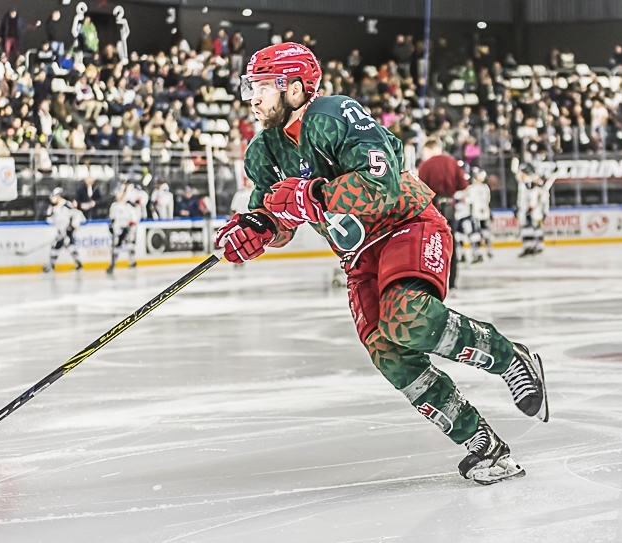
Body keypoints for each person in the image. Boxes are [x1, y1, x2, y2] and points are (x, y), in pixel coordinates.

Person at [214, 43, 549, 485]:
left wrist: (313, 196)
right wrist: (250, 232)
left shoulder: (335, 114)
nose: (253, 98)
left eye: (263, 87)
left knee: (408, 319)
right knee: (389, 353)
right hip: (358, 256)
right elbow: (274, 217)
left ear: (295, 88)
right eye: (250, 87)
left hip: (405, 225)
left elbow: (381, 184)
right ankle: (482, 445)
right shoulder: (262, 151)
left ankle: (508, 359)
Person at [417, 138, 468, 289]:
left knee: (430, 246)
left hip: (432, 209)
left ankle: (433, 282)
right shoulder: (452, 162)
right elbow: (463, 185)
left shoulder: (425, 165)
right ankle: (451, 283)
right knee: (451, 246)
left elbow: (420, 189)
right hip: (450, 208)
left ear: (429, 149)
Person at [516, 161, 554, 257]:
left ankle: (532, 247)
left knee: (532, 228)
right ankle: (533, 246)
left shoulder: (530, 182)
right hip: (529, 209)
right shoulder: (527, 182)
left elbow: (536, 196)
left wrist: (532, 207)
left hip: (532, 209)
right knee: (531, 228)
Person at [43, 188, 84, 273]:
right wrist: (50, 211)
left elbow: (77, 215)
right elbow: (49, 220)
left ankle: (52, 265)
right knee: (62, 247)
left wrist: (73, 226)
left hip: (67, 231)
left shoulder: (67, 205)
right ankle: (78, 264)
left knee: (65, 247)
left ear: (58, 196)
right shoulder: (55, 208)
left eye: (54, 196)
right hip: (61, 232)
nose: (52, 198)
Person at [107, 185, 138, 274]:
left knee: (130, 246)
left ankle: (132, 262)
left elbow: (133, 218)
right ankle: (113, 264)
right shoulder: (114, 206)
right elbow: (112, 219)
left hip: (127, 229)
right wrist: (111, 227)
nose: (117, 194)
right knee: (115, 248)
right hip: (117, 229)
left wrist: (130, 227)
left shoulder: (129, 205)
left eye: (119, 192)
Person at [466, 168, 493, 261]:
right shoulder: (471, 188)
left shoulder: (485, 187)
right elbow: (469, 200)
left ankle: (489, 251)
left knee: (486, 233)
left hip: (484, 214)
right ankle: (477, 253)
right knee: (475, 235)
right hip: (475, 214)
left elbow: (487, 200)